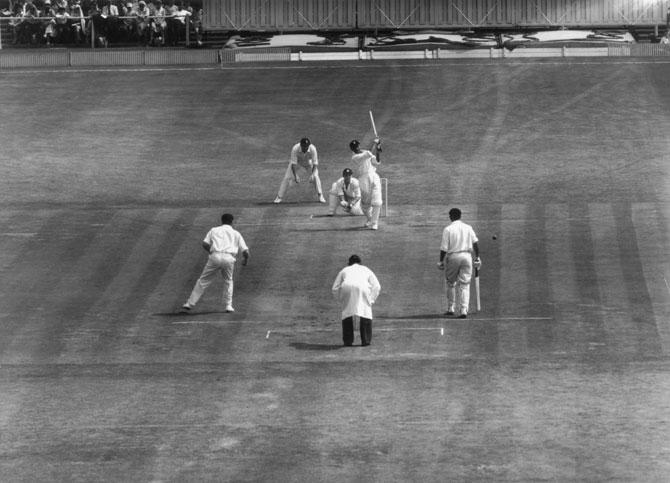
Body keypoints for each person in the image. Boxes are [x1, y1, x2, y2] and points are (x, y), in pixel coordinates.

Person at [180, 213, 249, 314]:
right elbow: (246, 252)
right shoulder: (236, 233)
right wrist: (245, 260)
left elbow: (205, 244)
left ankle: (189, 303)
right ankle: (228, 306)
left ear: (222, 221)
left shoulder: (214, 230)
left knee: (203, 280)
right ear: (232, 222)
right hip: (229, 258)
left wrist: (212, 252)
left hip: (215, 257)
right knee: (228, 281)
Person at [437, 208, 480, 318]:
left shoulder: (448, 229)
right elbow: (475, 243)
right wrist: (477, 257)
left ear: (450, 217)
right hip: (467, 257)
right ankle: (464, 310)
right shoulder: (468, 227)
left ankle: (451, 308)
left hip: (453, 257)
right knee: (465, 284)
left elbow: (444, 248)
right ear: (460, 216)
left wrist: (441, 261)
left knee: (451, 283)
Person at [331, 254, 381, 347]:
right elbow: (377, 286)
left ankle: (348, 340)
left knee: (347, 312)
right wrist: (371, 300)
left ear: (349, 263)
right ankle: (366, 340)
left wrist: (341, 300)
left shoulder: (345, 270)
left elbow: (335, 288)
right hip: (363, 288)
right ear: (360, 263)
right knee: (365, 311)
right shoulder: (366, 269)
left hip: (347, 287)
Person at [274, 137, 326, 204]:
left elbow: (315, 163)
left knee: (316, 177)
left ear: (309, 145)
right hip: (297, 163)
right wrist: (295, 176)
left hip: (308, 162)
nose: (305, 148)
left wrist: (312, 174)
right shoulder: (295, 148)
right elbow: (293, 163)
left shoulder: (313, 148)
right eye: (303, 146)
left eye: (306, 146)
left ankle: (320, 195)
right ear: (301, 145)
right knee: (287, 177)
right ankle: (279, 197)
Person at [349, 137, 382, 229]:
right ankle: (370, 219)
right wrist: (375, 143)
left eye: (358, 146)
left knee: (377, 201)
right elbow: (369, 153)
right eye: (355, 147)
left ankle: (374, 223)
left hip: (374, 176)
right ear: (352, 149)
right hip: (363, 179)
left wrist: (378, 150)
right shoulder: (355, 157)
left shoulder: (365, 152)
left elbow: (377, 161)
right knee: (365, 206)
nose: (357, 148)